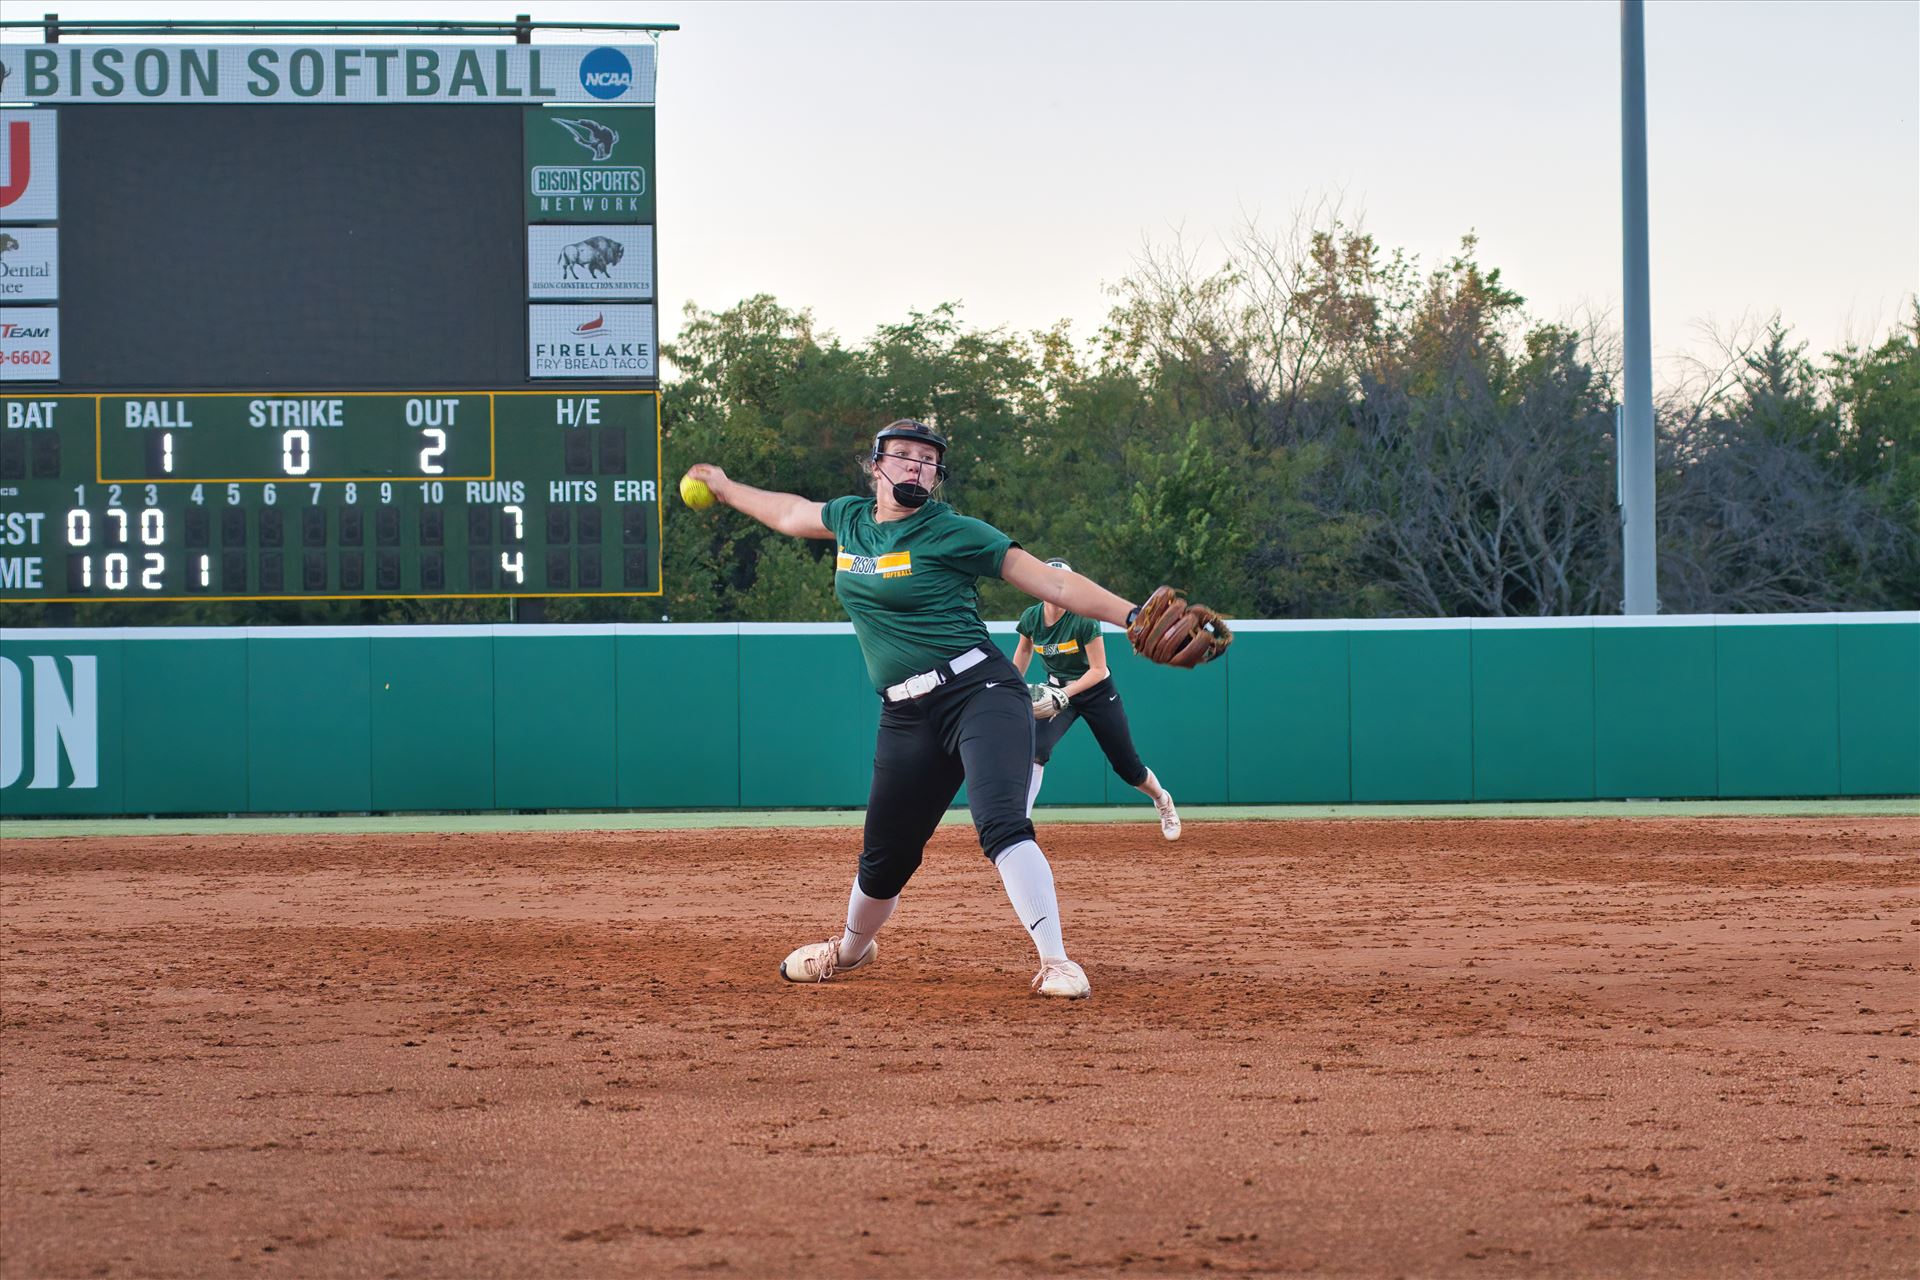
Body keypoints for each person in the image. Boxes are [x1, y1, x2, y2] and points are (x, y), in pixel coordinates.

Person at [683, 420, 1154, 1001]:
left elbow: (1052, 584)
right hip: (905, 713)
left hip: (979, 692)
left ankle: (1057, 961)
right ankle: (851, 950)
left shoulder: (953, 531)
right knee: (886, 855)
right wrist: (725, 486)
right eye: (901, 455)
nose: (915, 465)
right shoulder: (852, 521)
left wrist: (1133, 615)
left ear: (938, 474)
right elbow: (788, 511)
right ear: (875, 465)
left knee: (1001, 821)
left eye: (927, 459)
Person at [1013, 564, 1182, 840]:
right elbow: (1023, 650)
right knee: (1035, 749)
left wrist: (1066, 694)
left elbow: (1098, 670)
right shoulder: (1032, 618)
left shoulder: (1083, 619)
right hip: (1057, 691)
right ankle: (1018, 824)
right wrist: (1012, 685)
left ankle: (1163, 800)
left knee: (1128, 768)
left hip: (1096, 692)